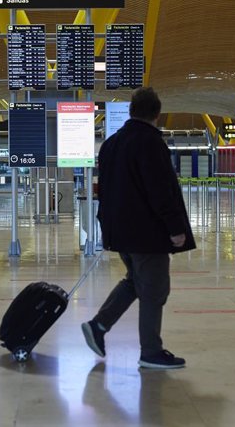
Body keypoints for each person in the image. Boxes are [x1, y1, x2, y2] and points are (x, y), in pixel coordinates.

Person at [81, 87, 196, 369]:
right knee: (154, 289)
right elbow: (159, 191)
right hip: (148, 234)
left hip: (120, 232)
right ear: (157, 114)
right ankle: (151, 352)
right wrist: (175, 227)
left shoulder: (112, 144)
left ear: (132, 112)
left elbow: (104, 190)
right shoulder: (150, 143)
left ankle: (99, 325)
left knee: (135, 281)